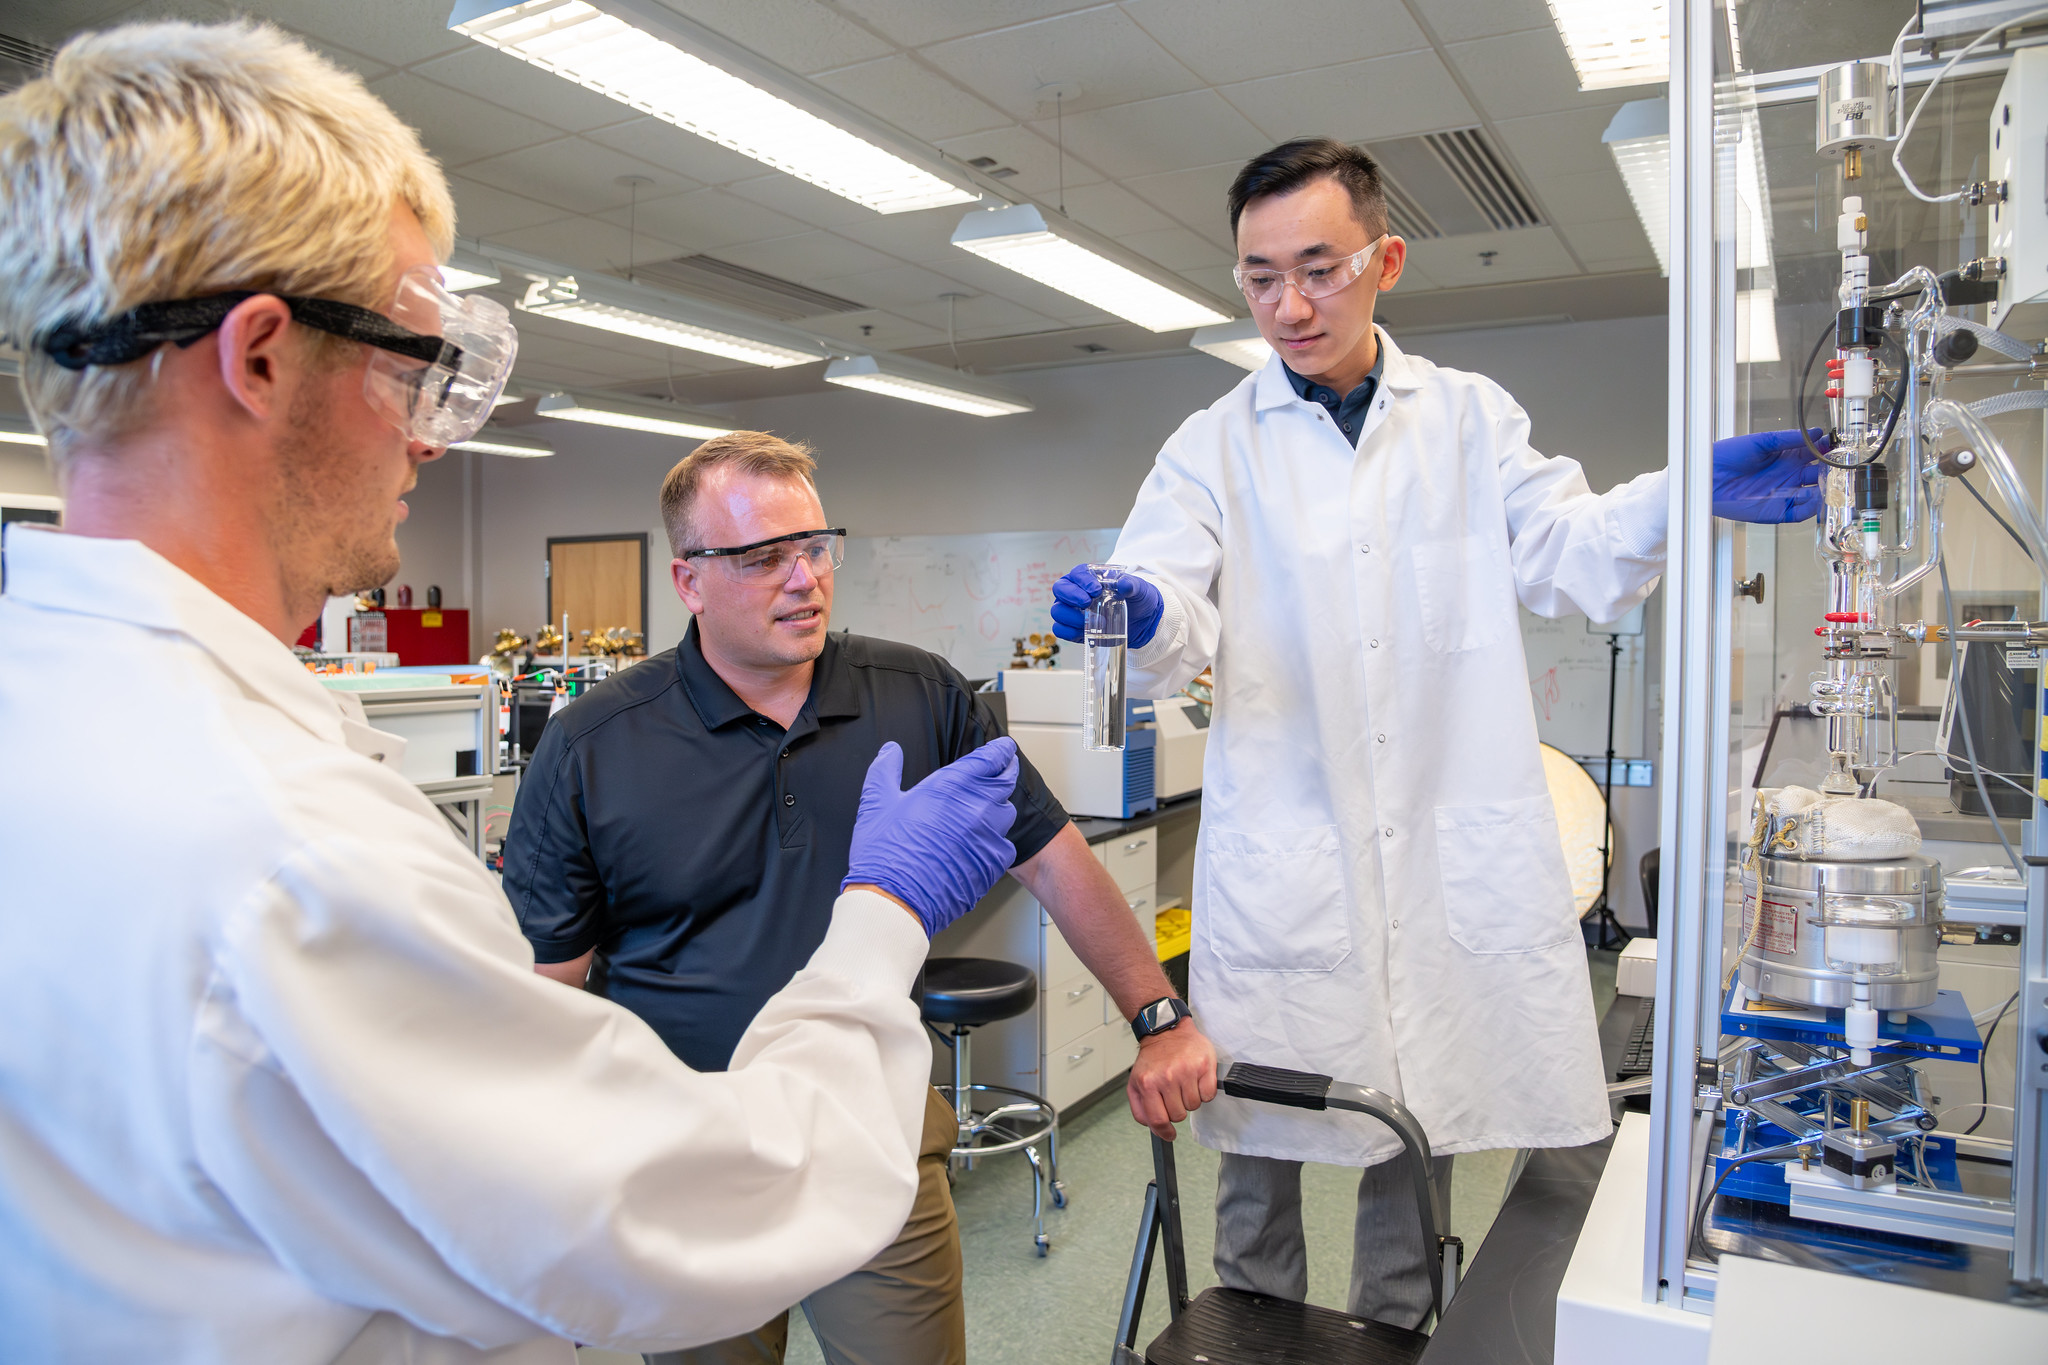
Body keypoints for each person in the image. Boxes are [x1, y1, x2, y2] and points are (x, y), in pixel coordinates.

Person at [0, 22, 1028, 1363]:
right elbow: (699, 1223)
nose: (430, 431)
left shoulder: (62, 709)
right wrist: (884, 914)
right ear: (257, 357)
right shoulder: (289, 855)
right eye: (412, 363)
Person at [1049, 138, 1823, 1329]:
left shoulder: (1465, 418)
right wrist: (1144, 611)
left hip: (1440, 845)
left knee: (1419, 1133)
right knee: (1258, 1155)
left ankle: (1400, 1337)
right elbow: (1167, 599)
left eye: (1318, 268)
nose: (1287, 305)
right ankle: (1249, 1336)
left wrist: (1686, 491)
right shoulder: (1214, 441)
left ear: (1384, 260)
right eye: (1257, 277)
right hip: (1288, 856)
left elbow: (1565, 552)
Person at [501, 429, 1219, 1365]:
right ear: (688, 580)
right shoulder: (594, 742)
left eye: (815, 546)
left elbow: (1049, 854)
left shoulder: (913, 691)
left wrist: (1159, 1015)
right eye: (764, 557)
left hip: (873, 1130)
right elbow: (545, 981)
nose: (804, 577)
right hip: (689, 1150)